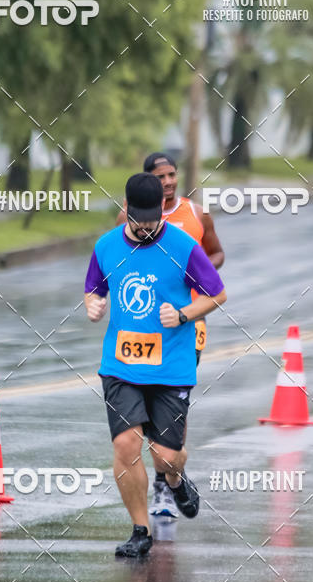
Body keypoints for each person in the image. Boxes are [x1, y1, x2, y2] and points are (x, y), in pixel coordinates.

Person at [85, 173, 227, 557]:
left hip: (171, 365)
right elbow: (93, 289)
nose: (147, 228)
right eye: (139, 220)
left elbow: (217, 294)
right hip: (121, 365)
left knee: (165, 456)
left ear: (162, 211)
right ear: (127, 210)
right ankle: (140, 530)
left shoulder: (183, 246)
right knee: (125, 444)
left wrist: (183, 314)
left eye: (154, 220)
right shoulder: (106, 246)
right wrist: (93, 305)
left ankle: (177, 479)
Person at [116, 153, 226, 518]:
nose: (167, 181)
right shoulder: (126, 219)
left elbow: (216, 253)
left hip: (186, 324)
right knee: (139, 409)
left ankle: (166, 484)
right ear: (147, 182)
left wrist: (194, 271)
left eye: (172, 174)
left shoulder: (197, 214)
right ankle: (170, 477)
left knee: (174, 404)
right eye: (159, 176)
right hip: (141, 327)